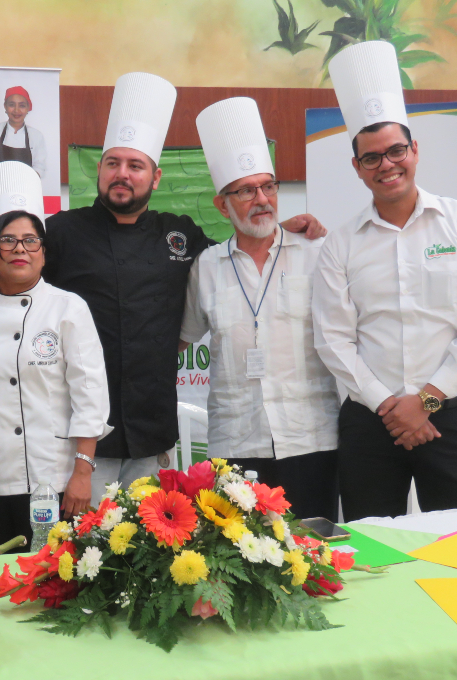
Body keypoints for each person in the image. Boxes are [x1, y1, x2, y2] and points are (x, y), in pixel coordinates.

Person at [39, 72, 327, 500]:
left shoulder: (179, 234)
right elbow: (10, 274)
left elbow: (238, 255)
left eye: (135, 166)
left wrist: (273, 226)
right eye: (113, 163)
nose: (123, 174)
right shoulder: (60, 232)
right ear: (99, 170)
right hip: (78, 434)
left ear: (154, 178)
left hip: (152, 433)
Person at [314, 40, 457, 521]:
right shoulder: (341, 244)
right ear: (357, 168)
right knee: (372, 555)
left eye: (396, 150)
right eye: (372, 158)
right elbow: (334, 341)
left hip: (453, 418)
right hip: (369, 426)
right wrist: (391, 408)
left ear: (414, 151)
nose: (387, 165)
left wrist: (424, 401)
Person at [180, 97, 340, 520]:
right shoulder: (206, 268)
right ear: (222, 204)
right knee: (240, 563)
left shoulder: (318, 253)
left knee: (312, 557)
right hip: (236, 442)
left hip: (312, 438)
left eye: (269, 186)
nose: (262, 199)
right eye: (246, 190)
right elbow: (180, 340)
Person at [0, 161, 110, 548]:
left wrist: (82, 473)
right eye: (7, 239)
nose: (19, 249)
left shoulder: (67, 308)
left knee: (55, 584)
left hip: (53, 474)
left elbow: (90, 398)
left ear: (43, 250)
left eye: (30, 239)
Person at [0, 86, 48, 178]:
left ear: (28, 108)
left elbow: (39, 167)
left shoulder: (36, 136)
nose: (16, 110)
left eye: (22, 105)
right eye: (11, 105)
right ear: (5, 106)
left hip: (26, 188)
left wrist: (23, 179)